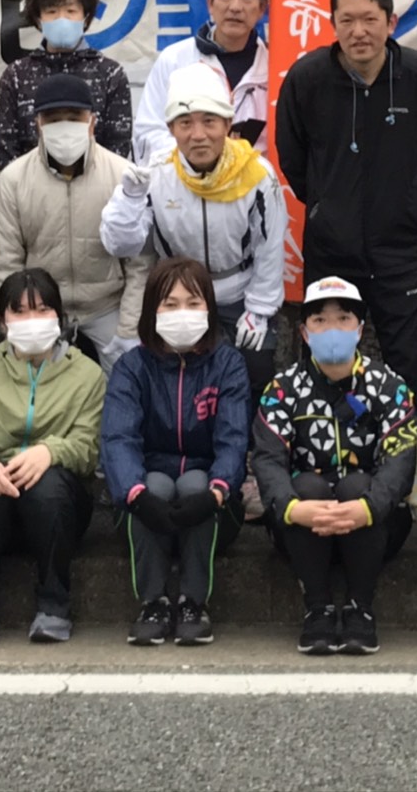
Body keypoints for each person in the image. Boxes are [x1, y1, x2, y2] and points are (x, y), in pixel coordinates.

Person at [274, 0, 417, 413]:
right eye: (347, 20)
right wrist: (325, 204)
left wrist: (407, 201)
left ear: (391, 23)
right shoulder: (308, 78)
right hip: (332, 250)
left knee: (410, 368)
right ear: (332, 23)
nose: (359, 32)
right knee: (327, 360)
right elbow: (293, 157)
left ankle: (414, 473)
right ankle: (323, 462)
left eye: (370, 19)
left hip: (402, 251)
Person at [252, 277, 417, 656]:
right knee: (307, 486)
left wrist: (367, 507)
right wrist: (292, 507)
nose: (332, 329)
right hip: (300, 526)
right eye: (320, 321)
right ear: (304, 332)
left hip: (376, 522)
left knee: (356, 484)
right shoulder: (281, 389)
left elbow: (401, 458)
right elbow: (268, 459)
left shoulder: (389, 386)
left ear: (360, 329)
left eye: (343, 319)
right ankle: (318, 609)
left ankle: (361, 608)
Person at [100, 62, 285, 404]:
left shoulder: (258, 175)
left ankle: (252, 449)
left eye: (210, 122)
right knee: (186, 381)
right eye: (185, 123)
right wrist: (129, 199)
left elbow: (270, 246)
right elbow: (121, 244)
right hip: (181, 293)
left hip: (240, 293)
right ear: (171, 128)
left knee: (255, 374)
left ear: (228, 124)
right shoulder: (156, 173)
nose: (198, 134)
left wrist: (260, 309)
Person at [0, 268, 104, 644]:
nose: (32, 321)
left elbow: (89, 445)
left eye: (43, 310)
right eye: (20, 312)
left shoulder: (88, 375)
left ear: (59, 318)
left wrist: (50, 451)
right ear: (2, 321)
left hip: (57, 507)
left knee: (49, 486)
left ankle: (54, 604)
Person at [101, 258, 249, 646]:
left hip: (213, 502)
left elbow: (233, 438)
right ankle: (153, 602)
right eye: (170, 303)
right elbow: (118, 438)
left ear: (210, 309)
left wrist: (218, 490)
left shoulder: (229, 364)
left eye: (193, 302)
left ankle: (193, 603)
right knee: (155, 484)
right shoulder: (132, 368)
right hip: (147, 501)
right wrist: (134, 493)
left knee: (197, 482)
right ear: (152, 310)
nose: (182, 312)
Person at [0, 72, 151, 378]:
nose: (64, 126)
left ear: (92, 121)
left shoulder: (122, 176)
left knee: (129, 386)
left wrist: (129, 329)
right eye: (53, 118)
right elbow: (5, 263)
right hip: (41, 309)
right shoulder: (13, 180)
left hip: (108, 308)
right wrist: (14, 322)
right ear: (38, 123)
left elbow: (139, 264)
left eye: (74, 116)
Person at [132, 0, 270, 162]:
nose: (235, 7)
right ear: (209, 3)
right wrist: (204, 158)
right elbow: (148, 133)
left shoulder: (275, 65)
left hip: (254, 187)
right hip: (182, 187)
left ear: (262, 8)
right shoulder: (175, 59)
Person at [0, 0, 133, 167]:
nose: (62, 19)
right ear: (38, 19)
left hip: (97, 188)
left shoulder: (110, 73)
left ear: (85, 18)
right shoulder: (16, 75)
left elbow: (119, 144)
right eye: (51, 11)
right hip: (32, 189)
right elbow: (5, 146)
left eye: (70, 11)